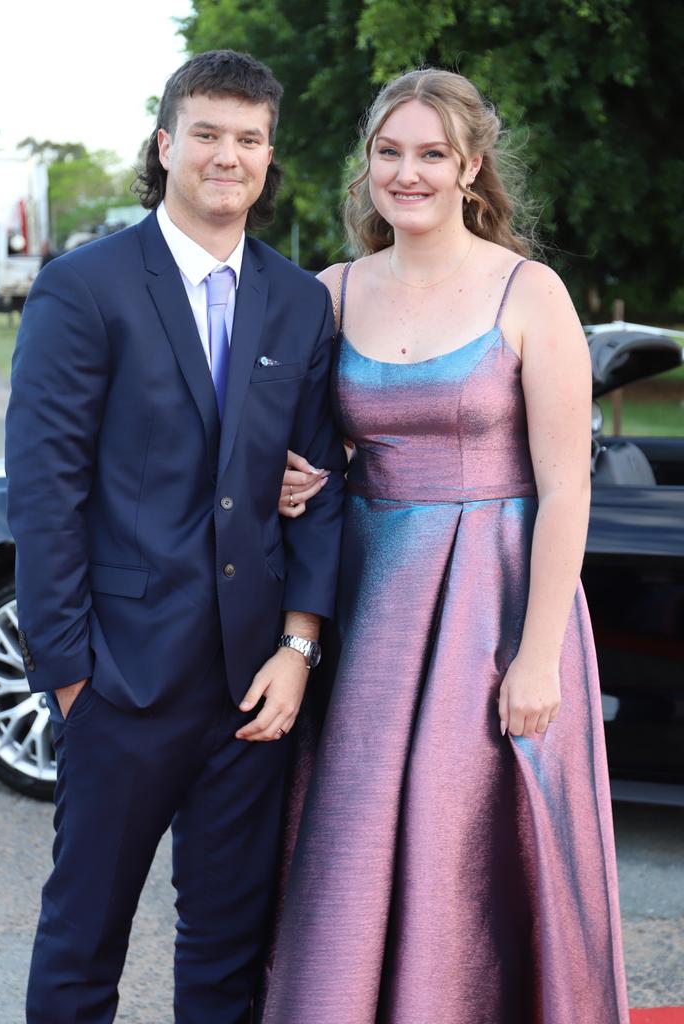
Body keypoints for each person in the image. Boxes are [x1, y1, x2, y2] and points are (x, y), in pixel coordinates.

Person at [263, 68, 629, 1024]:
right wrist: (302, 476)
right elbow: (313, 445)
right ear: (367, 165)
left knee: (469, 847)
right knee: (354, 836)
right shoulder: (331, 290)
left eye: (431, 154)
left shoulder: (529, 290)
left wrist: (539, 655)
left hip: (498, 607)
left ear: (470, 167)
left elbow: (566, 487)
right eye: (390, 152)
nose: (408, 172)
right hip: (371, 608)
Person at [5, 49, 346, 1024]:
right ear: (166, 145)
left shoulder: (297, 300)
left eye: (248, 139)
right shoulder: (85, 289)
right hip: (121, 683)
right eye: (207, 133)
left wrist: (297, 646)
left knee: (228, 958)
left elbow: (317, 485)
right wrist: (72, 676)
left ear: (270, 155)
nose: (227, 155)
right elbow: (45, 495)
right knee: (81, 948)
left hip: (253, 690)